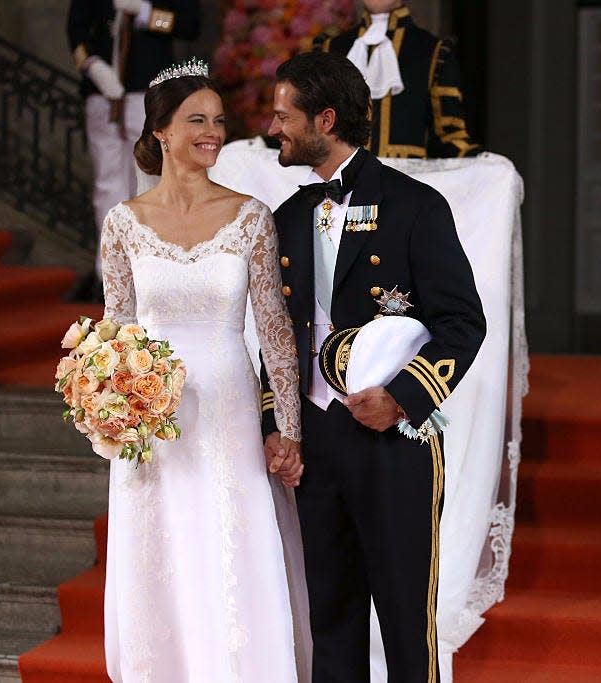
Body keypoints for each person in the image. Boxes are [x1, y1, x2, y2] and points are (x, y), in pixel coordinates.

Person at [261, 50, 486, 682]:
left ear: (325, 119)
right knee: (330, 622)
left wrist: (405, 397)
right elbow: (275, 340)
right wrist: (277, 425)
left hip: (394, 440)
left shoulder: (417, 207)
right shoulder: (288, 217)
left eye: (284, 116)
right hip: (317, 442)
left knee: (406, 626)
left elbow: (463, 321)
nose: (272, 129)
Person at [99, 60, 306, 682]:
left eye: (218, 120)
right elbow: (113, 332)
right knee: (163, 548)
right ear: (160, 129)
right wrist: (106, 405)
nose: (212, 132)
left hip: (228, 413)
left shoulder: (251, 217)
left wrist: (287, 428)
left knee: (228, 541)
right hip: (151, 423)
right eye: (197, 119)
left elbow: (275, 335)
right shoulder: (123, 224)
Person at [67, 0, 200, 289]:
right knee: (107, 187)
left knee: (149, 181)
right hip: (102, 94)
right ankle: (109, 276)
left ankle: (152, 273)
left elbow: (188, 25)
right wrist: (92, 66)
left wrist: (148, 15)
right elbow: (76, 31)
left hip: (147, 91)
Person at [313, 0, 480, 159]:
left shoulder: (434, 52)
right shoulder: (329, 49)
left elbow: (448, 138)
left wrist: (484, 164)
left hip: (405, 182)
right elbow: (315, 128)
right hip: (341, 184)